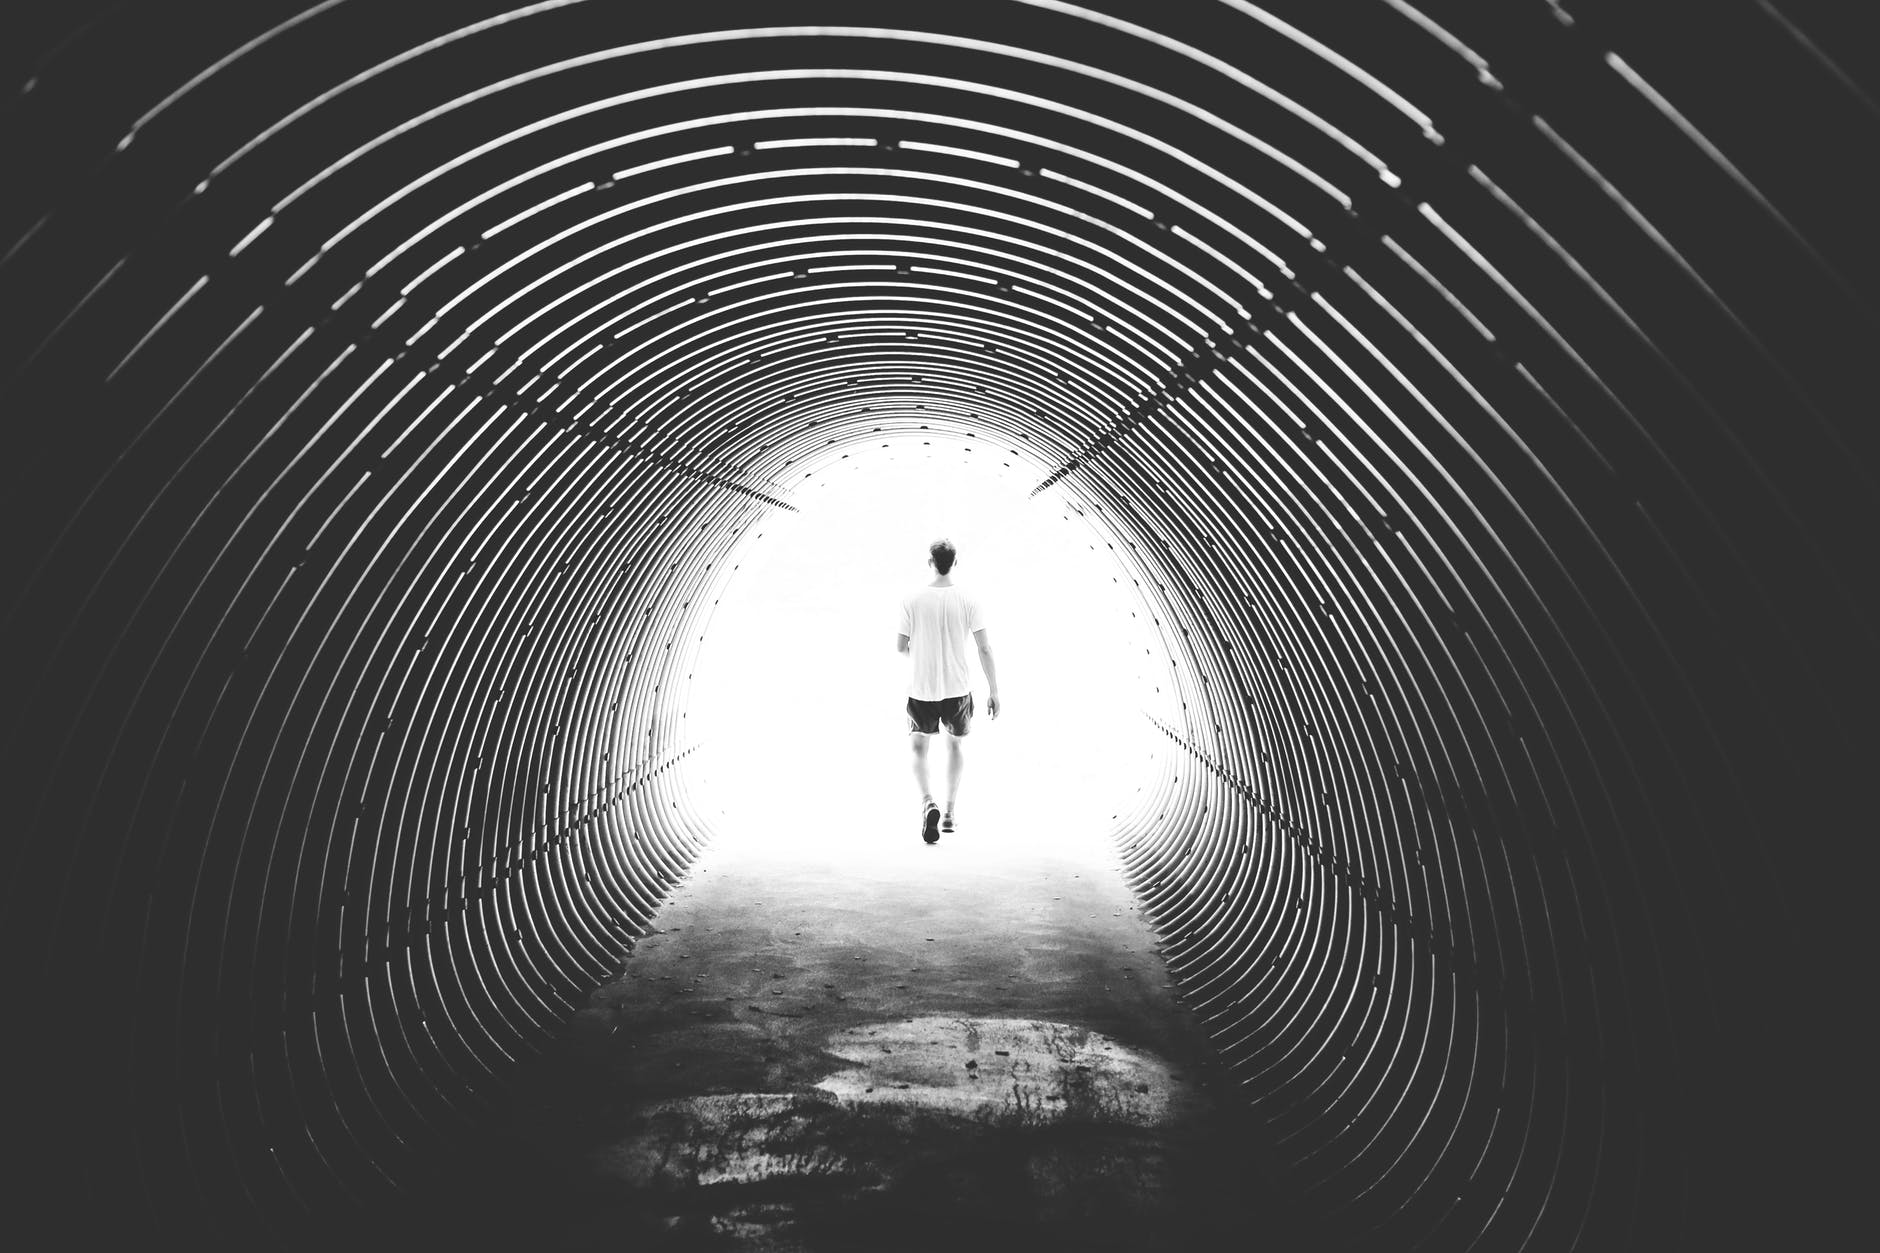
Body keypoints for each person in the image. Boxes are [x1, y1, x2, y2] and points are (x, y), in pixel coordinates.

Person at [896, 538, 1001, 843]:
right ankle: (951, 813)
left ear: (929, 562)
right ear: (956, 562)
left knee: (918, 749)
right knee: (955, 747)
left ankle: (929, 801)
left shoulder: (911, 599)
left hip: (921, 686)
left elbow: (900, 647)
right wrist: (994, 690)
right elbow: (985, 648)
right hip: (958, 687)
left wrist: (920, 656)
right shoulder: (969, 599)